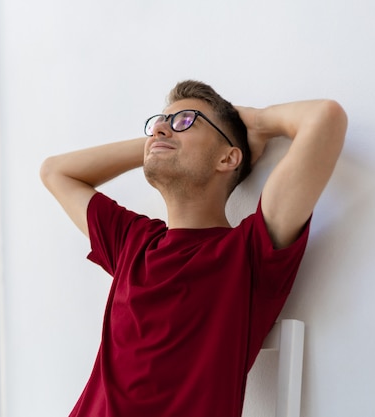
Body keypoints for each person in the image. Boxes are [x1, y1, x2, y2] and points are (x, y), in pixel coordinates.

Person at [39, 80, 347, 417]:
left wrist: (254, 124)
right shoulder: (132, 242)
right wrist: (156, 143)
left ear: (228, 158)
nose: (160, 128)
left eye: (185, 121)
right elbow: (55, 171)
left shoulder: (249, 253)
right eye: (159, 122)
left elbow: (324, 117)